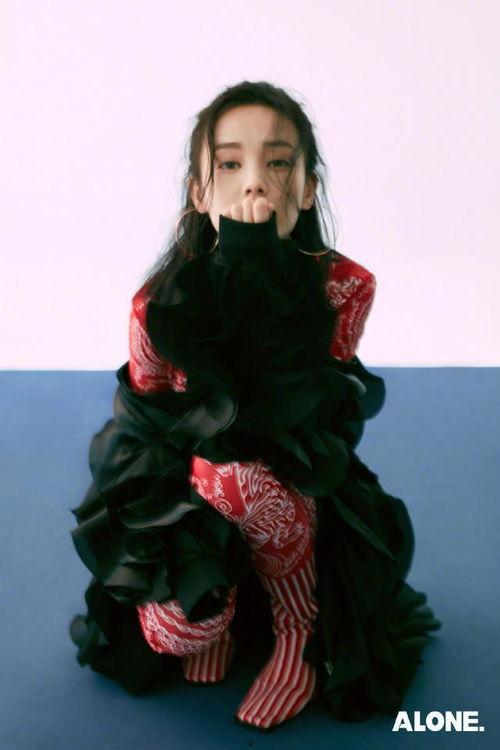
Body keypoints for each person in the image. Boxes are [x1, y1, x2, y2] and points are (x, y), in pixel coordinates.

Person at [69, 80, 441, 732]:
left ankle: (298, 633)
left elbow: (307, 416)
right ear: (199, 192)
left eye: (277, 163)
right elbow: (141, 432)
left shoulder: (344, 288)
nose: (254, 184)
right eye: (230, 164)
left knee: (236, 473)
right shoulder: (157, 306)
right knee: (176, 630)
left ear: (308, 188)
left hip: (293, 483)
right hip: (185, 494)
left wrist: (256, 257)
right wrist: (182, 543)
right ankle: (225, 605)